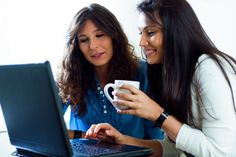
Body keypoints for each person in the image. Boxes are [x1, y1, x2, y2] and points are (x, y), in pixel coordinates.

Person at [85, 0, 236, 156]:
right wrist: (123, 141)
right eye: (140, 33)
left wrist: (157, 114)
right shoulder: (171, 74)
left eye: (150, 32)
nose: (141, 42)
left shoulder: (209, 68)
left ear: (176, 30)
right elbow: (174, 149)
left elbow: (220, 153)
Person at [56, 3, 164, 140]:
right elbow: (46, 127)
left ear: (114, 36)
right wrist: (84, 136)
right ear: (77, 46)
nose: (93, 46)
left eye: (99, 35)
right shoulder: (70, 76)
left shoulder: (142, 73)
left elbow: (157, 140)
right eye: (84, 40)